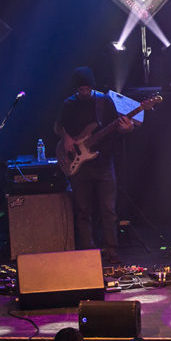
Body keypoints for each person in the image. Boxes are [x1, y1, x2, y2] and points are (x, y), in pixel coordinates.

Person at [55, 66, 134, 265]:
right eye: (81, 89)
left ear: (92, 86)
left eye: (87, 88)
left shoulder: (104, 101)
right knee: (83, 210)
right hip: (80, 165)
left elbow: (116, 128)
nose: (84, 92)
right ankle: (87, 251)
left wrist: (126, 129)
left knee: (108, 209)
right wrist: (67, 137)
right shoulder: (69, 104)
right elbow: (58, 126)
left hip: (104, 162)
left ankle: (111, 250)